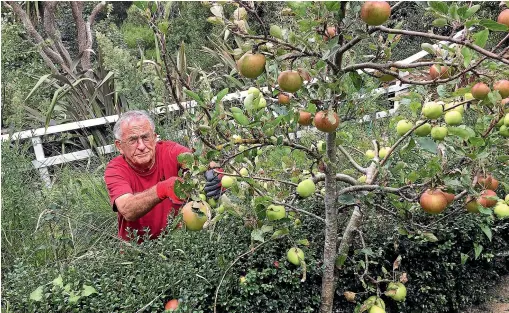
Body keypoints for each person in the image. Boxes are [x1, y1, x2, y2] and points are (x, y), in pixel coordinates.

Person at [104, 110, 222, 242]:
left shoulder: (170, 151)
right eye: (133, 140)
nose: (141, 146)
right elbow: (127, 209)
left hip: (176, 242)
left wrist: (216, 176)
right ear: (119, 146)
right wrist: (163, 189)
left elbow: (204, 163)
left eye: (145, 137)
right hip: (137, 251)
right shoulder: (115, 169)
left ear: (154, 138)